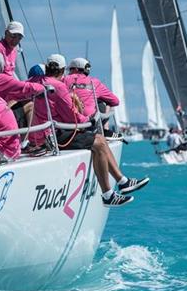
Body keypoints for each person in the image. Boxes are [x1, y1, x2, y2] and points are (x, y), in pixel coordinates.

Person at [30, 54, 149, 206]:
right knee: (99, 142)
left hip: (44, 134)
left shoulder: (38, 82)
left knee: (99, 139)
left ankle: (122, 181)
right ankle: (108, 194)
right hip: (55, 135)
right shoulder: (63, 86)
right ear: (62, 70)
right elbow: (72, 117)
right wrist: (88, 120)